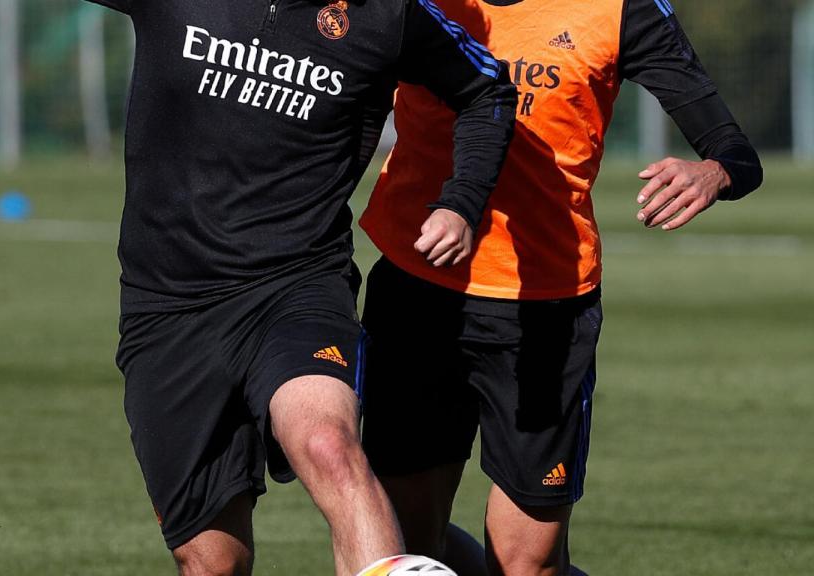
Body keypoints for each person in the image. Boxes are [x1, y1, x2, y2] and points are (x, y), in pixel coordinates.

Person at [84, 1, 516, 574]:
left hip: (298, 288)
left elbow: (488, 88)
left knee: (329, 446)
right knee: (213, 563)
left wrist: (461, 203)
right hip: (169, 307)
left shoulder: (391, 15)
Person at [359, 0, 763, 574]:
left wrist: (713, 172)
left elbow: (734, 150)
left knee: (525, 564)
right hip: (417, 289)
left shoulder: (623, 9)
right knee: (408, 549)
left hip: (544, 312)